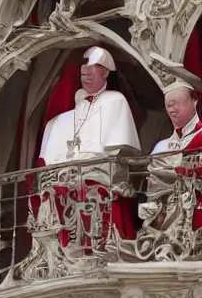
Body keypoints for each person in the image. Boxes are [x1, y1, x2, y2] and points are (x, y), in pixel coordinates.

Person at [36, 46, 140, 248]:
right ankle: (62, 246)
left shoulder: (115, 101)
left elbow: (115, 151)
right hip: (72, 176)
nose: (86, 78)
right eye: (84, 74)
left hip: (99, 175)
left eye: (91, 73)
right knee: (53, 191)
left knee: (87, 188)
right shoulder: (71, 111)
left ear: (105, 72)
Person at [140, 81, 202, 233]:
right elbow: (153, 193)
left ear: (195, 101)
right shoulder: (161, 147)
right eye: (169, 105)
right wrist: (150, 207)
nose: (173, 110)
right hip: (168, 225)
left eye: (178, 103)